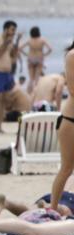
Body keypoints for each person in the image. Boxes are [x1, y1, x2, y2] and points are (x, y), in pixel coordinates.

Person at [50, 43, 74, 217]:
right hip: (70, 120)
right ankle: (52, 209)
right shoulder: (72, 56)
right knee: (67, 168)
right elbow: (72, 89)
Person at [0, 21, 22, 133]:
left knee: (4, 101)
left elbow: (13, 55)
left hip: (7, 73)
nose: (13, 32)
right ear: (6, 29)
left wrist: (16, 42)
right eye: (12, 30)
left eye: (14, 30)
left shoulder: (10, 41)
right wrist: (6, 43)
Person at [22, 26, 52, 93]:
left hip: (31, 58)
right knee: (37, 78)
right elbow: (50, 49)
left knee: (31, 78)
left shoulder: (29, 40)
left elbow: (20, 48)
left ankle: (28, 93)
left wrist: (26, 54)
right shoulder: (42, 40)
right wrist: (44, 55)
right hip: (39, 58)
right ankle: (36, 93)